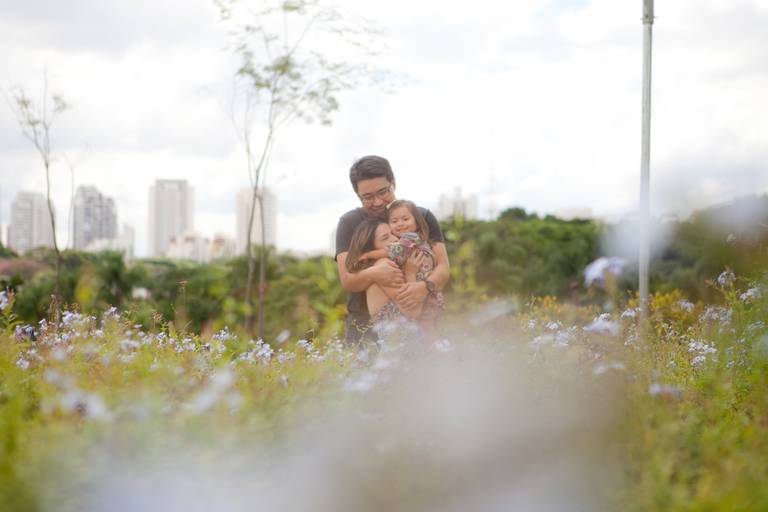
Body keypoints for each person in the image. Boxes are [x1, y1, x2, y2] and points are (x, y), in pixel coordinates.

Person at [335, 155, 450, 344]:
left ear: (393, 183)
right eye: (368, 197)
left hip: (422, 320)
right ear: (358, 195)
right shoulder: (349, 223)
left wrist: (422, 288)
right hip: (366, 329)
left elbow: (443, 268)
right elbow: (348, 280)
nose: (378, 202)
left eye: (383, 191)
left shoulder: (421, 216)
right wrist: (375, 272)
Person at [357, 199, 445, 339]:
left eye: (405, 219)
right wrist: (410, 272)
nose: (400, 224)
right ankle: (433, 347)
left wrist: (368, 254)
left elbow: (394, 251)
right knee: (428, 328)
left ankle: (434, 346)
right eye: (395, 221)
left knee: (429, 327)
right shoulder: (385, 266)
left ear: (416, 221)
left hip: (426, 294)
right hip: (420, 296)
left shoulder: (411, 239)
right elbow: (412, 311)